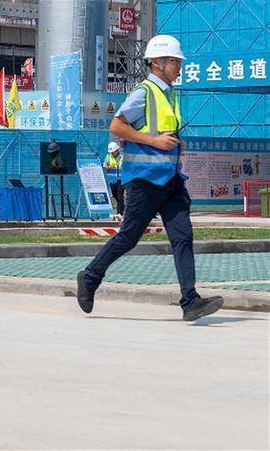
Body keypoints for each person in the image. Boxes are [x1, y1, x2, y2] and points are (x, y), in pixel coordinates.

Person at [76, 34, 224, 322]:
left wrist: (170, 144)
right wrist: (155, 142)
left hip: (170, 179)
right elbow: (116, 126)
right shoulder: (144, 92)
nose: (179, 67)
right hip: (144, 180)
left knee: (183, 237)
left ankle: (190, 301)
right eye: (175, 62)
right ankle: (90, 276)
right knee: (129, 237)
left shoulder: (170, 94)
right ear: (157, 63)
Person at [103, 141, 124, 219]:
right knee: (115, 195)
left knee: (120, 195)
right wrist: (109, 167)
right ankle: (123, 209)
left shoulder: (122, 157)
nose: (112, 153)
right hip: (112, 180)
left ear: (117, 150)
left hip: (121, 180)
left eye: (113, 151)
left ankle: (120, 213)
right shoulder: (108, 157)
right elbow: (104, 167)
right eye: (111, 152)